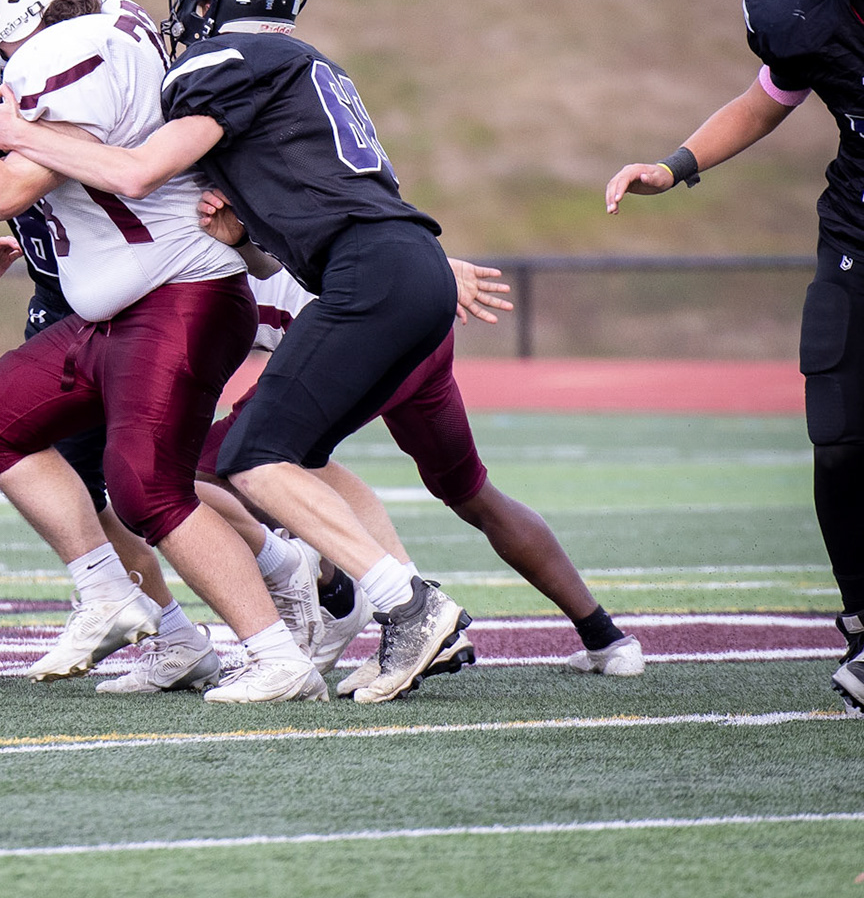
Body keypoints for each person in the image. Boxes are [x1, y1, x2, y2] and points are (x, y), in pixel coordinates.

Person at [0, 0, 470, 704]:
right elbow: (276, 243)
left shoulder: (228, 63)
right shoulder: (301, 67)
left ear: (209, 1)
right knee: (277, 454)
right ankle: (383, 611)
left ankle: (411, 603)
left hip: (371, 272)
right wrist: (241, 236)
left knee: (253, 457)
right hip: (392, 265)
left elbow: (135, 172)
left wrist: (22, 133)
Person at [0, 0, 327, 703]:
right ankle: (111, 592)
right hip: (119, 304)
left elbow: (10, 185)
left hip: (179, 292)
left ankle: (275, 648)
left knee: (146, 485)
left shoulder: (65, 52)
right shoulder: (106, 15)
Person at [605, 0, 864, 713]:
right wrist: (676, 163)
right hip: (856, 239)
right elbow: (770, 97)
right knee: (838, 437)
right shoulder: (806, 8)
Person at [0, 9, 229, 693]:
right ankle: (171, 630)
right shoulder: (24, 120)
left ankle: (296, 585)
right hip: (78, 306)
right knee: (92, 489)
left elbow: (8, 181)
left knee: (147, 484)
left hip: (144, 293)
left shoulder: (62, 107)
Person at [191, 234, 643, 692]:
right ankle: (606, 639)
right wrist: (430, 264)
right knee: (470, 493)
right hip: (418, 332)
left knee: (217, 465)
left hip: (370, 335)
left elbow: (328, 219)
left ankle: (348, 594)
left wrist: (431, 263)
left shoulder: (192, 235)